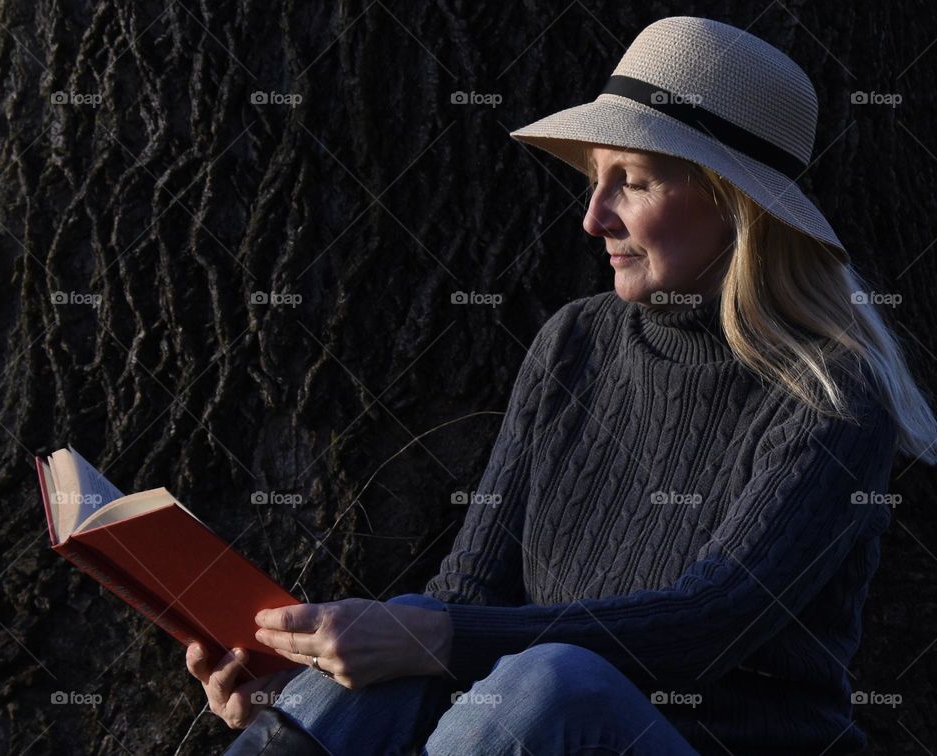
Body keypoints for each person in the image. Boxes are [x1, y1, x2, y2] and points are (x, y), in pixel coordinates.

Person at [189, 15, 937, 755]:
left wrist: (437, 635)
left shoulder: (832, 390)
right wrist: (301, 691)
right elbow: (469, 595)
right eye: (593, 180)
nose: (592, 218)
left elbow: (711, 621)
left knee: (550, 679)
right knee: (400, 640)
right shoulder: (574, 342)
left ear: (734, 205)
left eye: (632, 183)